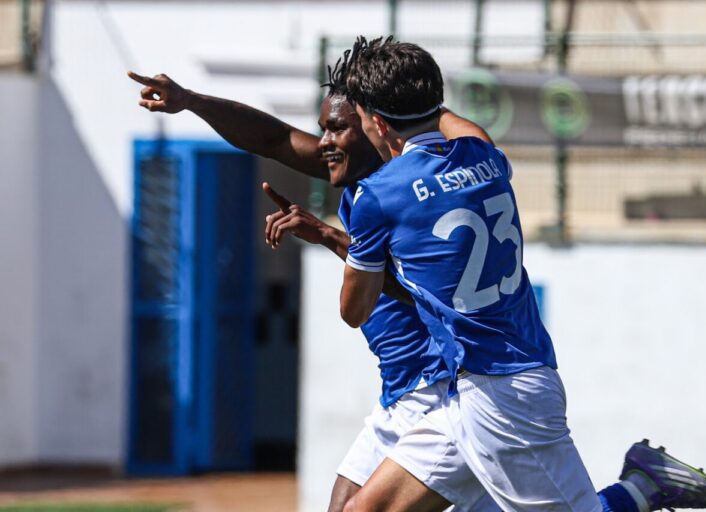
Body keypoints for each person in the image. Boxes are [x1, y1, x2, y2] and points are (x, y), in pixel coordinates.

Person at [337, 36, 706, 512]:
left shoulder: (378, 195)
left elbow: (354, 310)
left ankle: (644, 485)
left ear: (379, 123)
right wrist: (430, 105)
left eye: (363, 122)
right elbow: (468, 131)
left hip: (504, 394)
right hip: (467, 388)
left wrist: (345, 245)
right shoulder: (484, 158)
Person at [128, 64, 501, 512]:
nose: (323, 142)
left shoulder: (407, 186)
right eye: (322, 129)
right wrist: (191, 100)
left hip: (438, 388)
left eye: (338, 128)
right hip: (400, 389)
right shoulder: (362, 179)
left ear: (372, 127)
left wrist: (329, 236)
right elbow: (273, 139)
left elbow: (422, 293)